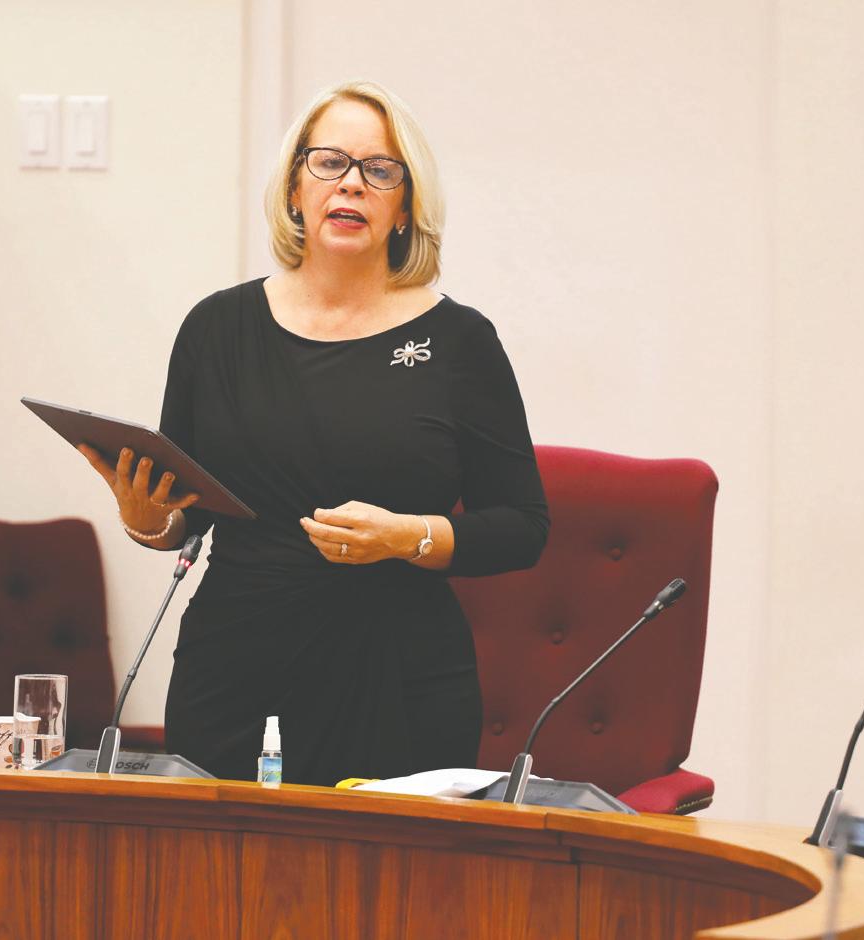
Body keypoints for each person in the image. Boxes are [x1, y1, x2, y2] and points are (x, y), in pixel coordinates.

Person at [78, 80, 548, 785]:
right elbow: (188, 515)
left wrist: (407, 537)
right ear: (295, 189)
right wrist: (148, 521)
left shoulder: (459, 340)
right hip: (234, 666)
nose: (351, 184)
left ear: (405, 207)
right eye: (329, 162)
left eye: (379, 170)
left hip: (398, 674)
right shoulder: (216, 328)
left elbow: (522, 526)